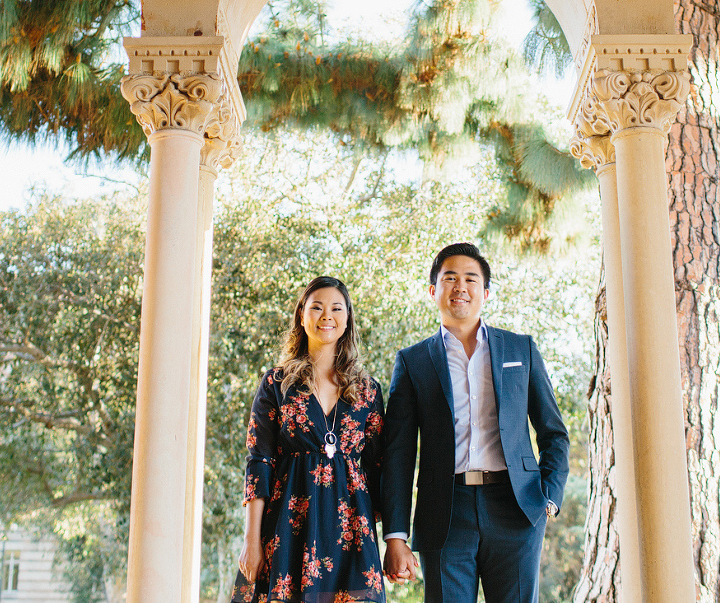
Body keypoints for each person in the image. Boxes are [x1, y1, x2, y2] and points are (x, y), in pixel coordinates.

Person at [380, 242, 569, 603]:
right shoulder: (413, 361)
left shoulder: (520, 349)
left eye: (470, 279)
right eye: (450, 278)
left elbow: (554, 433)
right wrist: (395, 536)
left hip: (518, 507)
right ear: (434, 290)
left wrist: (548, 500)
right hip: (445, 513)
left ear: (485, 292)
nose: (460, 287)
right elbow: (398, 455)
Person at [233, 276, 386, 603]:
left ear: (347, 320)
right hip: (288, 527)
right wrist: (251, 539)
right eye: (316, 307)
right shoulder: (277, 383)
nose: (326, 315)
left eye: (336, 308)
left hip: (351, 532)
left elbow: (378, 467)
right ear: (302, 316)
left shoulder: (369, 391)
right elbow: (258, 461)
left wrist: (387, 538)